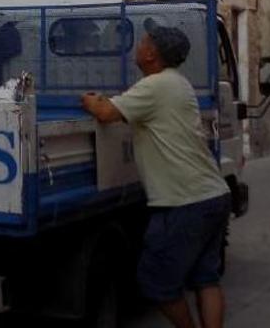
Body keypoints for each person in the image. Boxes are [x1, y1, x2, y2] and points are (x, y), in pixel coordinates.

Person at [80, 19, 231, 328]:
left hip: (182, 203)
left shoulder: (155, 85)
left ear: (152, 55)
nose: (137, 46)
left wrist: (89, 100)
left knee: (155, 283)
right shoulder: (178, 83)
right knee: (206, 279)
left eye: (143, 42)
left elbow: (106, 113)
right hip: (213, 195)